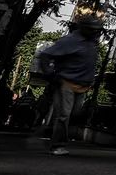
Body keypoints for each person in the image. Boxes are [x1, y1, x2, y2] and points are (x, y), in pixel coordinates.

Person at [39, 15, 103, 156]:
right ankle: (57, 146)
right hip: (66, 83)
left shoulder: (92, 42)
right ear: (84, 29)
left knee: (75, 113)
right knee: (63, 115)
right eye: (93, 30)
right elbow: (45, 55)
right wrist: (51, 76)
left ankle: (56, 136)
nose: (96, 33)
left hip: (82, 85)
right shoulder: (70, 41)